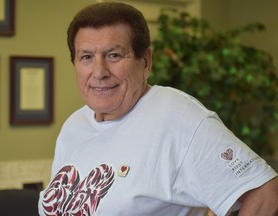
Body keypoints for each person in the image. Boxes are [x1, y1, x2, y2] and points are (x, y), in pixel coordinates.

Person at [38, 2, 278, 216]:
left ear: (146, 62)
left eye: (113, 55)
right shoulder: (74, 125)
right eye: (86, 57)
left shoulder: (176, 116)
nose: (99, 72)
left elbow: (266, 192)